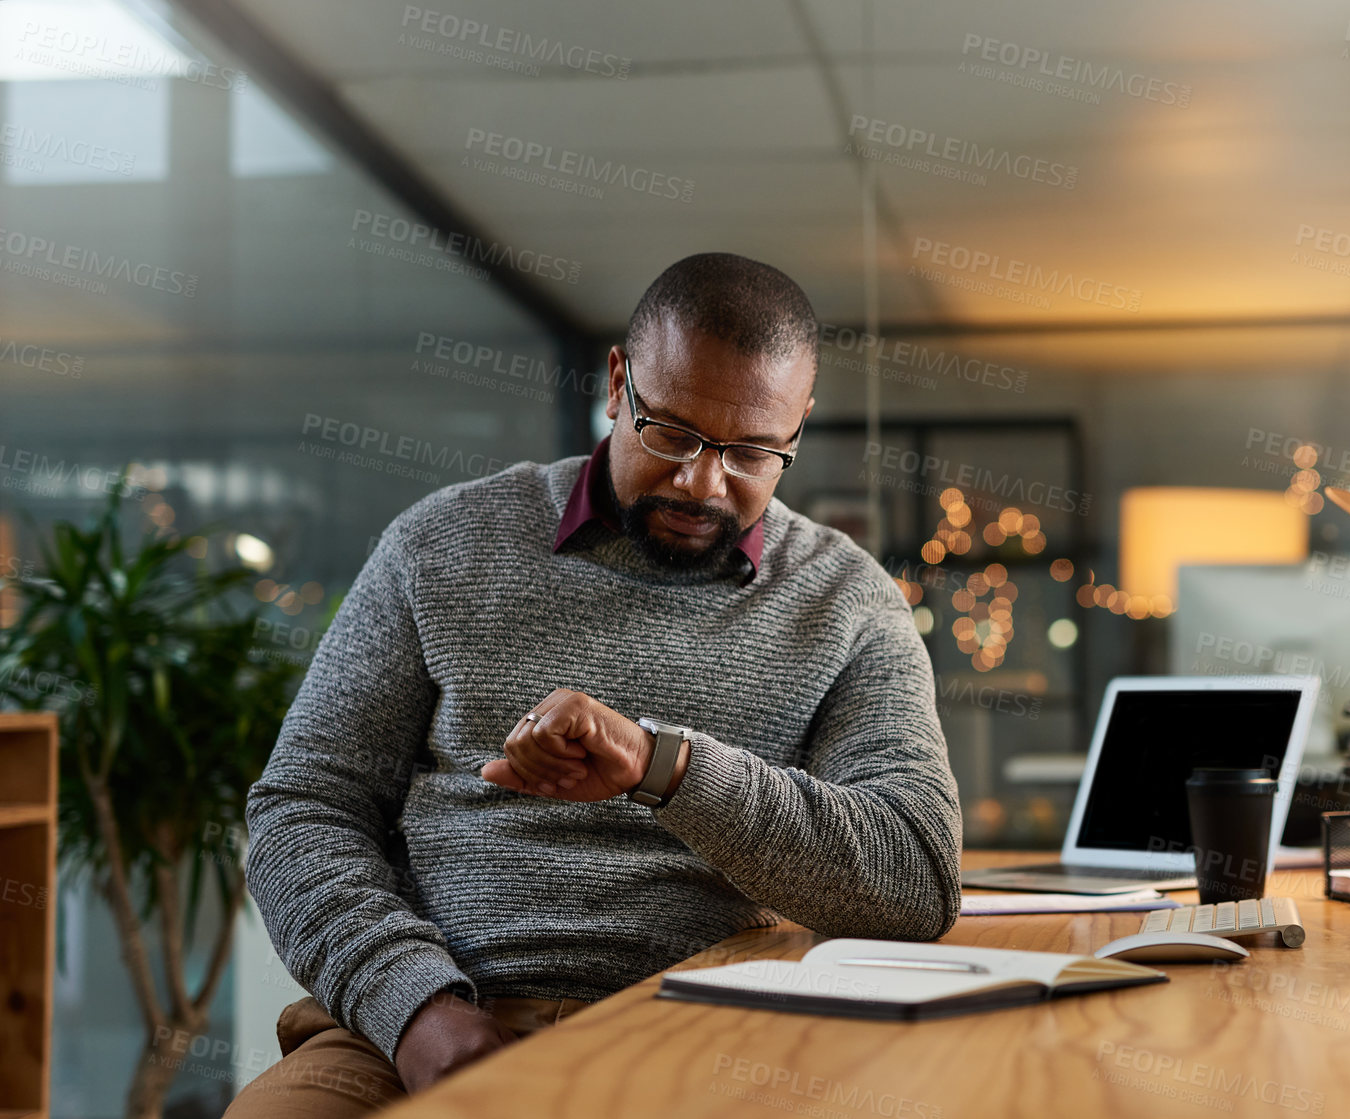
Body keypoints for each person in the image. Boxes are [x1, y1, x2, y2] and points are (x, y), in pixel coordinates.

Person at [226, 253, 962, 1117]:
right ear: (618, 383)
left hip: (707, 1032)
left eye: (752, 451)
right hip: (408, 1033)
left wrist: (666, 768)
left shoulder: (850, 601)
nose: (702, 481)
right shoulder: (441, 544)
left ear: (798, 426)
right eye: (672, 432)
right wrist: (418, 1010)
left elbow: (916, 877)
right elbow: (303, 807)